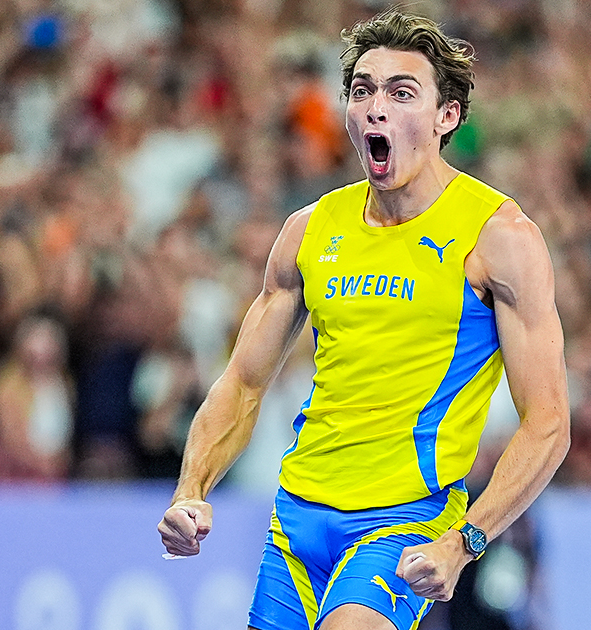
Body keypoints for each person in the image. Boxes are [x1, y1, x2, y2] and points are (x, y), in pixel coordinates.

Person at [157, 10, 569, 630]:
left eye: (401, 93)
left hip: (405, 521)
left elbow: (549, 425)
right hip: (296, 521)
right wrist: (191, 488)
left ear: (446, 117)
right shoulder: (309, 230)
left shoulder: (498, 237)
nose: (376, 106)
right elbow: (242, 383)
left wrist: (467, 541)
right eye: (362, 91)